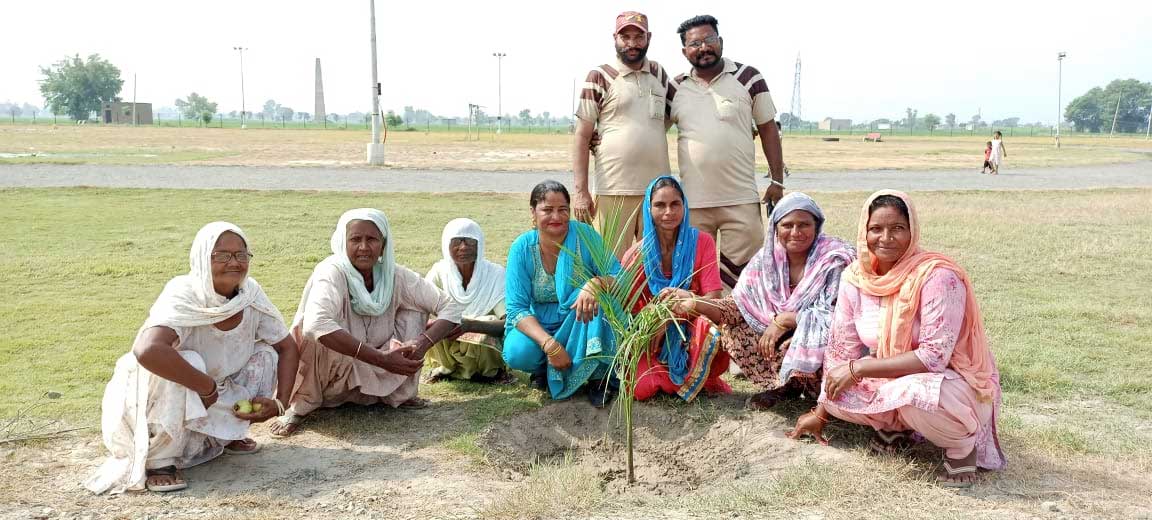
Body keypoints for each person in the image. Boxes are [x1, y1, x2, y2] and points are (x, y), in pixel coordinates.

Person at [786, 190, 1006, 488]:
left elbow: (932, 358)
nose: (886, 238)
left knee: (917, 394)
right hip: (893, 378)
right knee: (835, 389)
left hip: (951, 385)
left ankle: (960, 448)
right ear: (865, 231)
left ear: (912, 230)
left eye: (897, 229)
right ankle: (896, 427)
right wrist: (822, 412)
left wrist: (859, 369)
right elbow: (842, 351)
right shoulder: (856, 276)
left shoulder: (938, 276)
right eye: (876, 229)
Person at [85, 222, 298, 494]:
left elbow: (287, 346)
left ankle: (229, 433)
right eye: (221, 255)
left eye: (241, 255)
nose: (234, 262)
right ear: (201, 258)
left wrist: (280, 403)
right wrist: (204, 385)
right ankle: (162, 460)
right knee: (183, 360)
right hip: (168, 386)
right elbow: (148, 350)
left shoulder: (250, 294)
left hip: (217, 386)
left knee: (265, 354)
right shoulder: (184, 292)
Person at [269, 209, 464, 437]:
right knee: (318, 328)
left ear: (383, 244)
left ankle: (398, 394)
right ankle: (301, 406)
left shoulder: (395, 275)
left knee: (415, 310)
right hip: (333, 371)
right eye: (355, 239)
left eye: (371, 239)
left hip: (382, 364)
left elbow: (450, 306)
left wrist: (421, 343)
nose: (363, 247)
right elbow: (316, 324)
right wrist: (381, 359)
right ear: (343, 243)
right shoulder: (331, 272)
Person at [669, 14, 787, 290]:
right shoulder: (674, 88)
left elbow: (768, 128)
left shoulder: (749, 77)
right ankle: (703, 332)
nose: (703, 48)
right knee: (697, 278)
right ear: (684, 51)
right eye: (694, 43)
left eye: (709, 40)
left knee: (745, 277)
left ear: (720, 42)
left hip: (740, 199)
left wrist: (777, 181)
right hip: (694, 203)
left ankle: (741, 330)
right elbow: (649, 127)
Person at [720, 193, 855, 409]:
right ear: (775, 228)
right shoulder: (766, 259)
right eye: (787, 225)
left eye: (804, 225)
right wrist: (694, 303)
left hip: (822, 340)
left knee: (804, 341)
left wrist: (787, 320)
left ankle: (818, 394)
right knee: (733, 328)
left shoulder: (834, 260)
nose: (795, 232)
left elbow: (842, 319)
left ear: (817, 226)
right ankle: (782, 386)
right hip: (780, 336)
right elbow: (738, 303)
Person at [503, 181, 622, 407]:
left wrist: (595, 283)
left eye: (563, 210)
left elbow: (619, 276)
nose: (555, 217)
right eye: (547, 210)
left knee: (601, 304)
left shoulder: (585, 236)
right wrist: (550, 345)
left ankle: (599, 378)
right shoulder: (522, 248)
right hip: (540, 322)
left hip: (579, 319)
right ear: (533, 212)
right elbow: (516, 309)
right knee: (518, 352)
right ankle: (545, 369)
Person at [572, 11, 676, 258]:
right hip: (614, 189)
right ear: (614, 39)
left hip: (657, 192)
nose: (631, 43)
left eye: (638, 37)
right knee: (611, 264)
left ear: (648, 37)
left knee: (656, 262)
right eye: (625, 36)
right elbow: (581, 136)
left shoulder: (659, 74)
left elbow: (681, 111)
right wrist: (581, 192)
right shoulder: (600, 76)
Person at [621, 176, 730, 401]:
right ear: (648, 209)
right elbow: (627, 309)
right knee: (642, 389)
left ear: (684, 206)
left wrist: (679, 306)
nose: (668, 212)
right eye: (660, 205)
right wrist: (655, 320)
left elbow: (715, 302)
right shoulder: (636, 255)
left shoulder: (702, 242)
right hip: (652, 336)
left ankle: (687, 375)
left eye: (675, 204)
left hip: (690, 327)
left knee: (708, 329)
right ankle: (681, 378)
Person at [422, 218, 513, 384]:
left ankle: (492, 372)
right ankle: (445, 368)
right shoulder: (439, 272)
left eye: (470, 241)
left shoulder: (495, 275)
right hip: (448, 338)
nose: (463, 247)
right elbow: (420, 309)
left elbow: (507, 323)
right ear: (446, 245)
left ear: (480, 245)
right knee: (432, 325)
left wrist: (470, 325)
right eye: (456, 241)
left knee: (488, 328)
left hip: (482, 348)